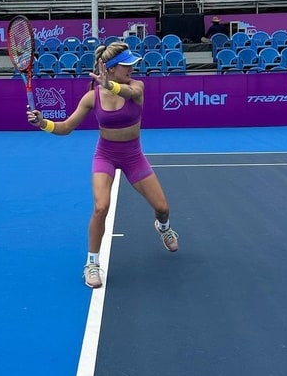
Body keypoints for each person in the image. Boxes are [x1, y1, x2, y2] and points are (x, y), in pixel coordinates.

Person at [27, 41, 179, 289]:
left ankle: (164, 227)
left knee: (162, 208)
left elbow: (131, 93)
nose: (132, 68)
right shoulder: (91, 97)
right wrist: (44, 123)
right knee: (101, 207)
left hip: (133, 157)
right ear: (109, 68)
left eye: (131, 64)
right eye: (126, 65)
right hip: (105, 156)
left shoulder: (137, 87)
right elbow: (66, 128)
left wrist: (111, 85)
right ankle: (92, 264)